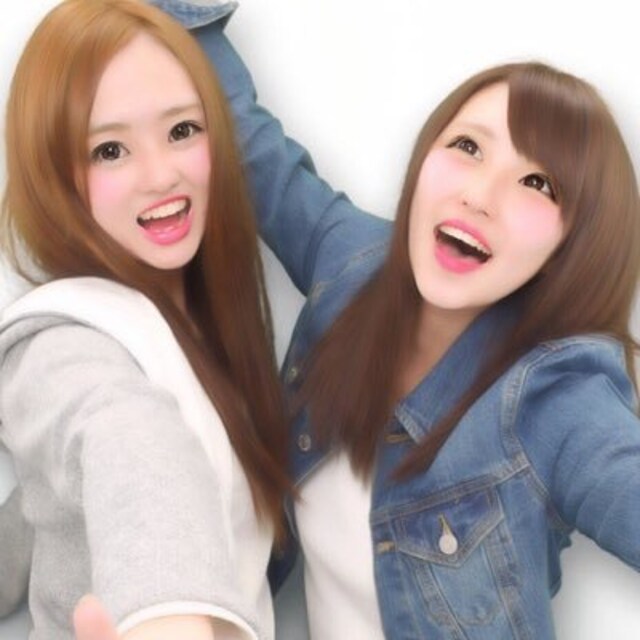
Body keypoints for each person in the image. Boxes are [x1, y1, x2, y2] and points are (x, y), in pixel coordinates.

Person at [7, 2, 640, 639]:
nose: (480, 194)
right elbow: (253, 148)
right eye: (467, 147)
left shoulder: (562, 398)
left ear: (577, 238)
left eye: (538, 183)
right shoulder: (355, 264)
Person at [0, 0, 291, 638]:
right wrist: (166, 613)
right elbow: (131, 447)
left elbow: (49, 507)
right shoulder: (60, 344)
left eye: (183, 130)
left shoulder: (203, 330)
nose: (161, 175)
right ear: (52, 175)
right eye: (109, 150)